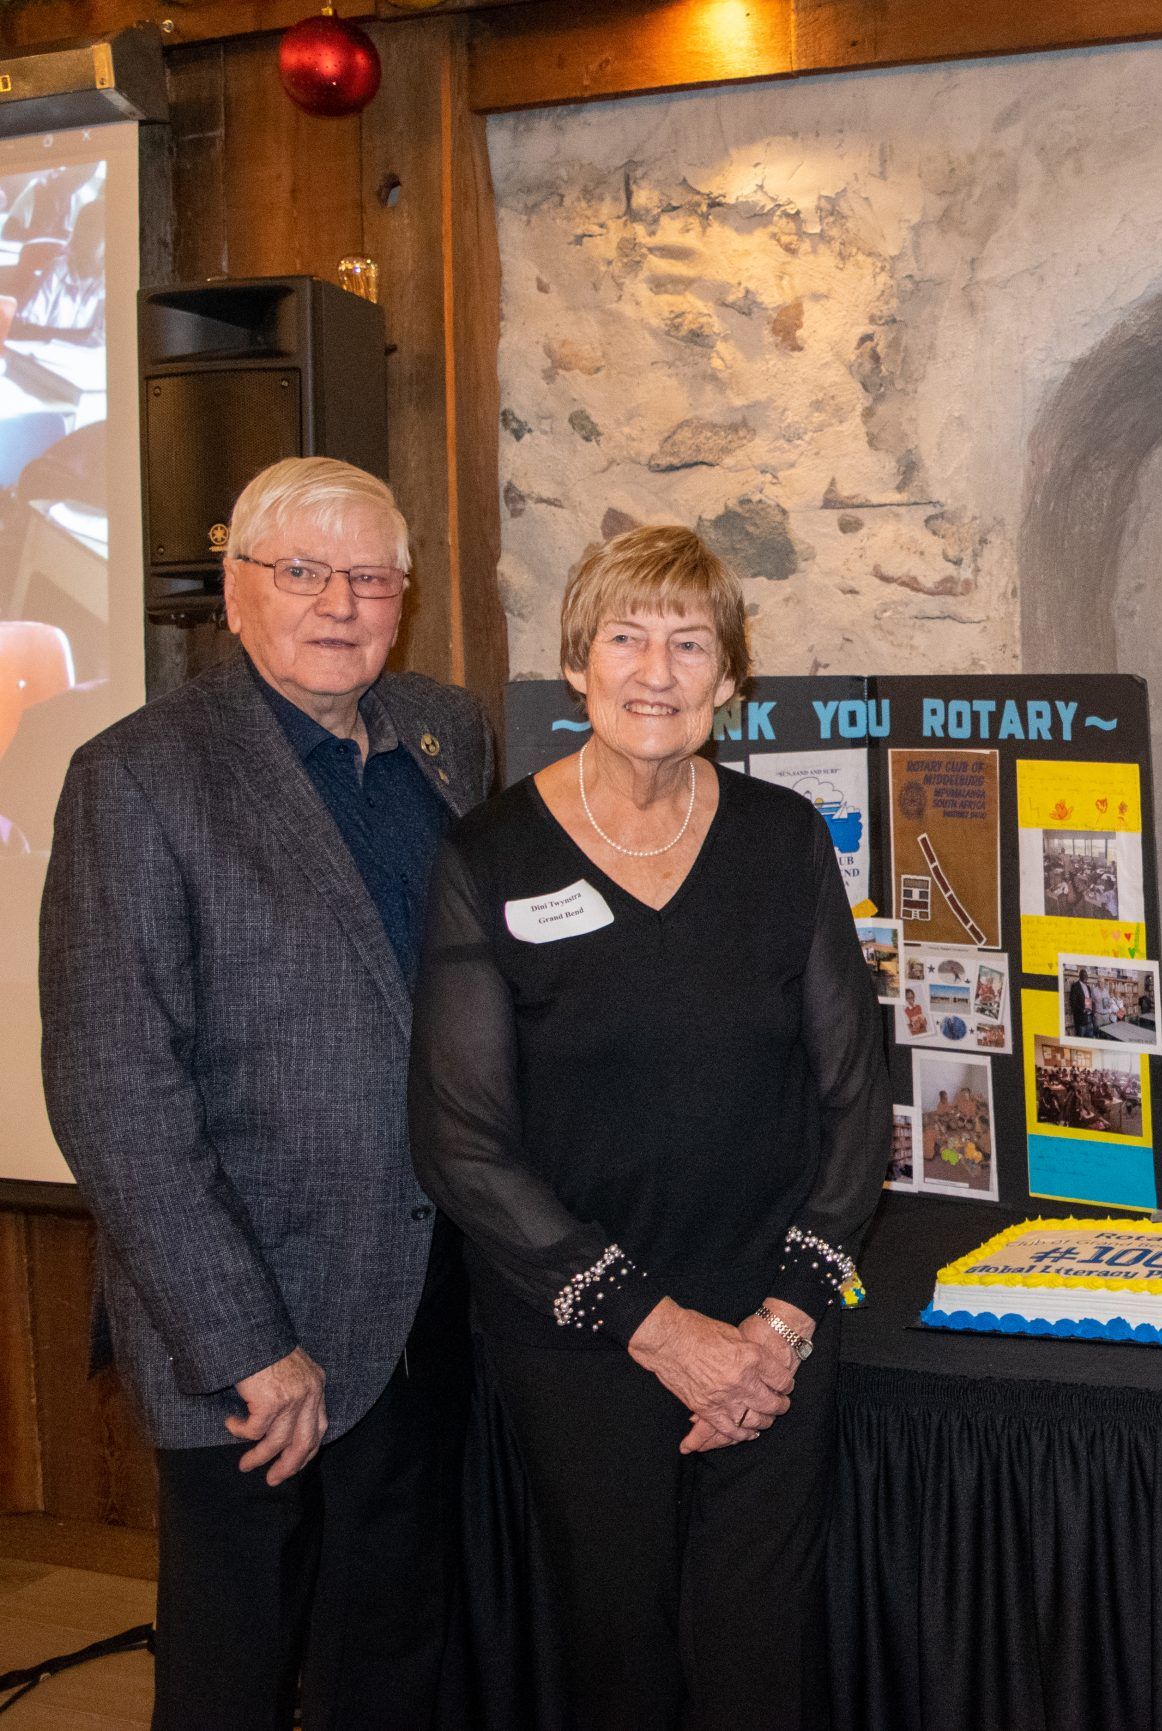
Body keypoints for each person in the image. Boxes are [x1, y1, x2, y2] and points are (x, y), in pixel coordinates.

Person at [409, 525, 893, 1730]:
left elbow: (854, 1096)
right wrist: (657, 1329)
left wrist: (776, 1327)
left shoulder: (783, 841)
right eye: (625, 638)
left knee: (755, 1659)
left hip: (772, 1324)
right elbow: (459, 1140)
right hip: (584, 1337)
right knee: (615, 1657)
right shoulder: (490, 854)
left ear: (730, 680)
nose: (655, 671)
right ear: (578, 665)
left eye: (690, 644)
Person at [39, 457, 492, 1731]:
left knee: (394, 1651)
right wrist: (246, 1344)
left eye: (371, 576)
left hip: (425, 1301)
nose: (340, 603)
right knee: (237, 1668)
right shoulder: (137, 777)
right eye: (302, 572)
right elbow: (111, 1090)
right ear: (235, 594)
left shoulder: (444, 734)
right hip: (250, 1327)